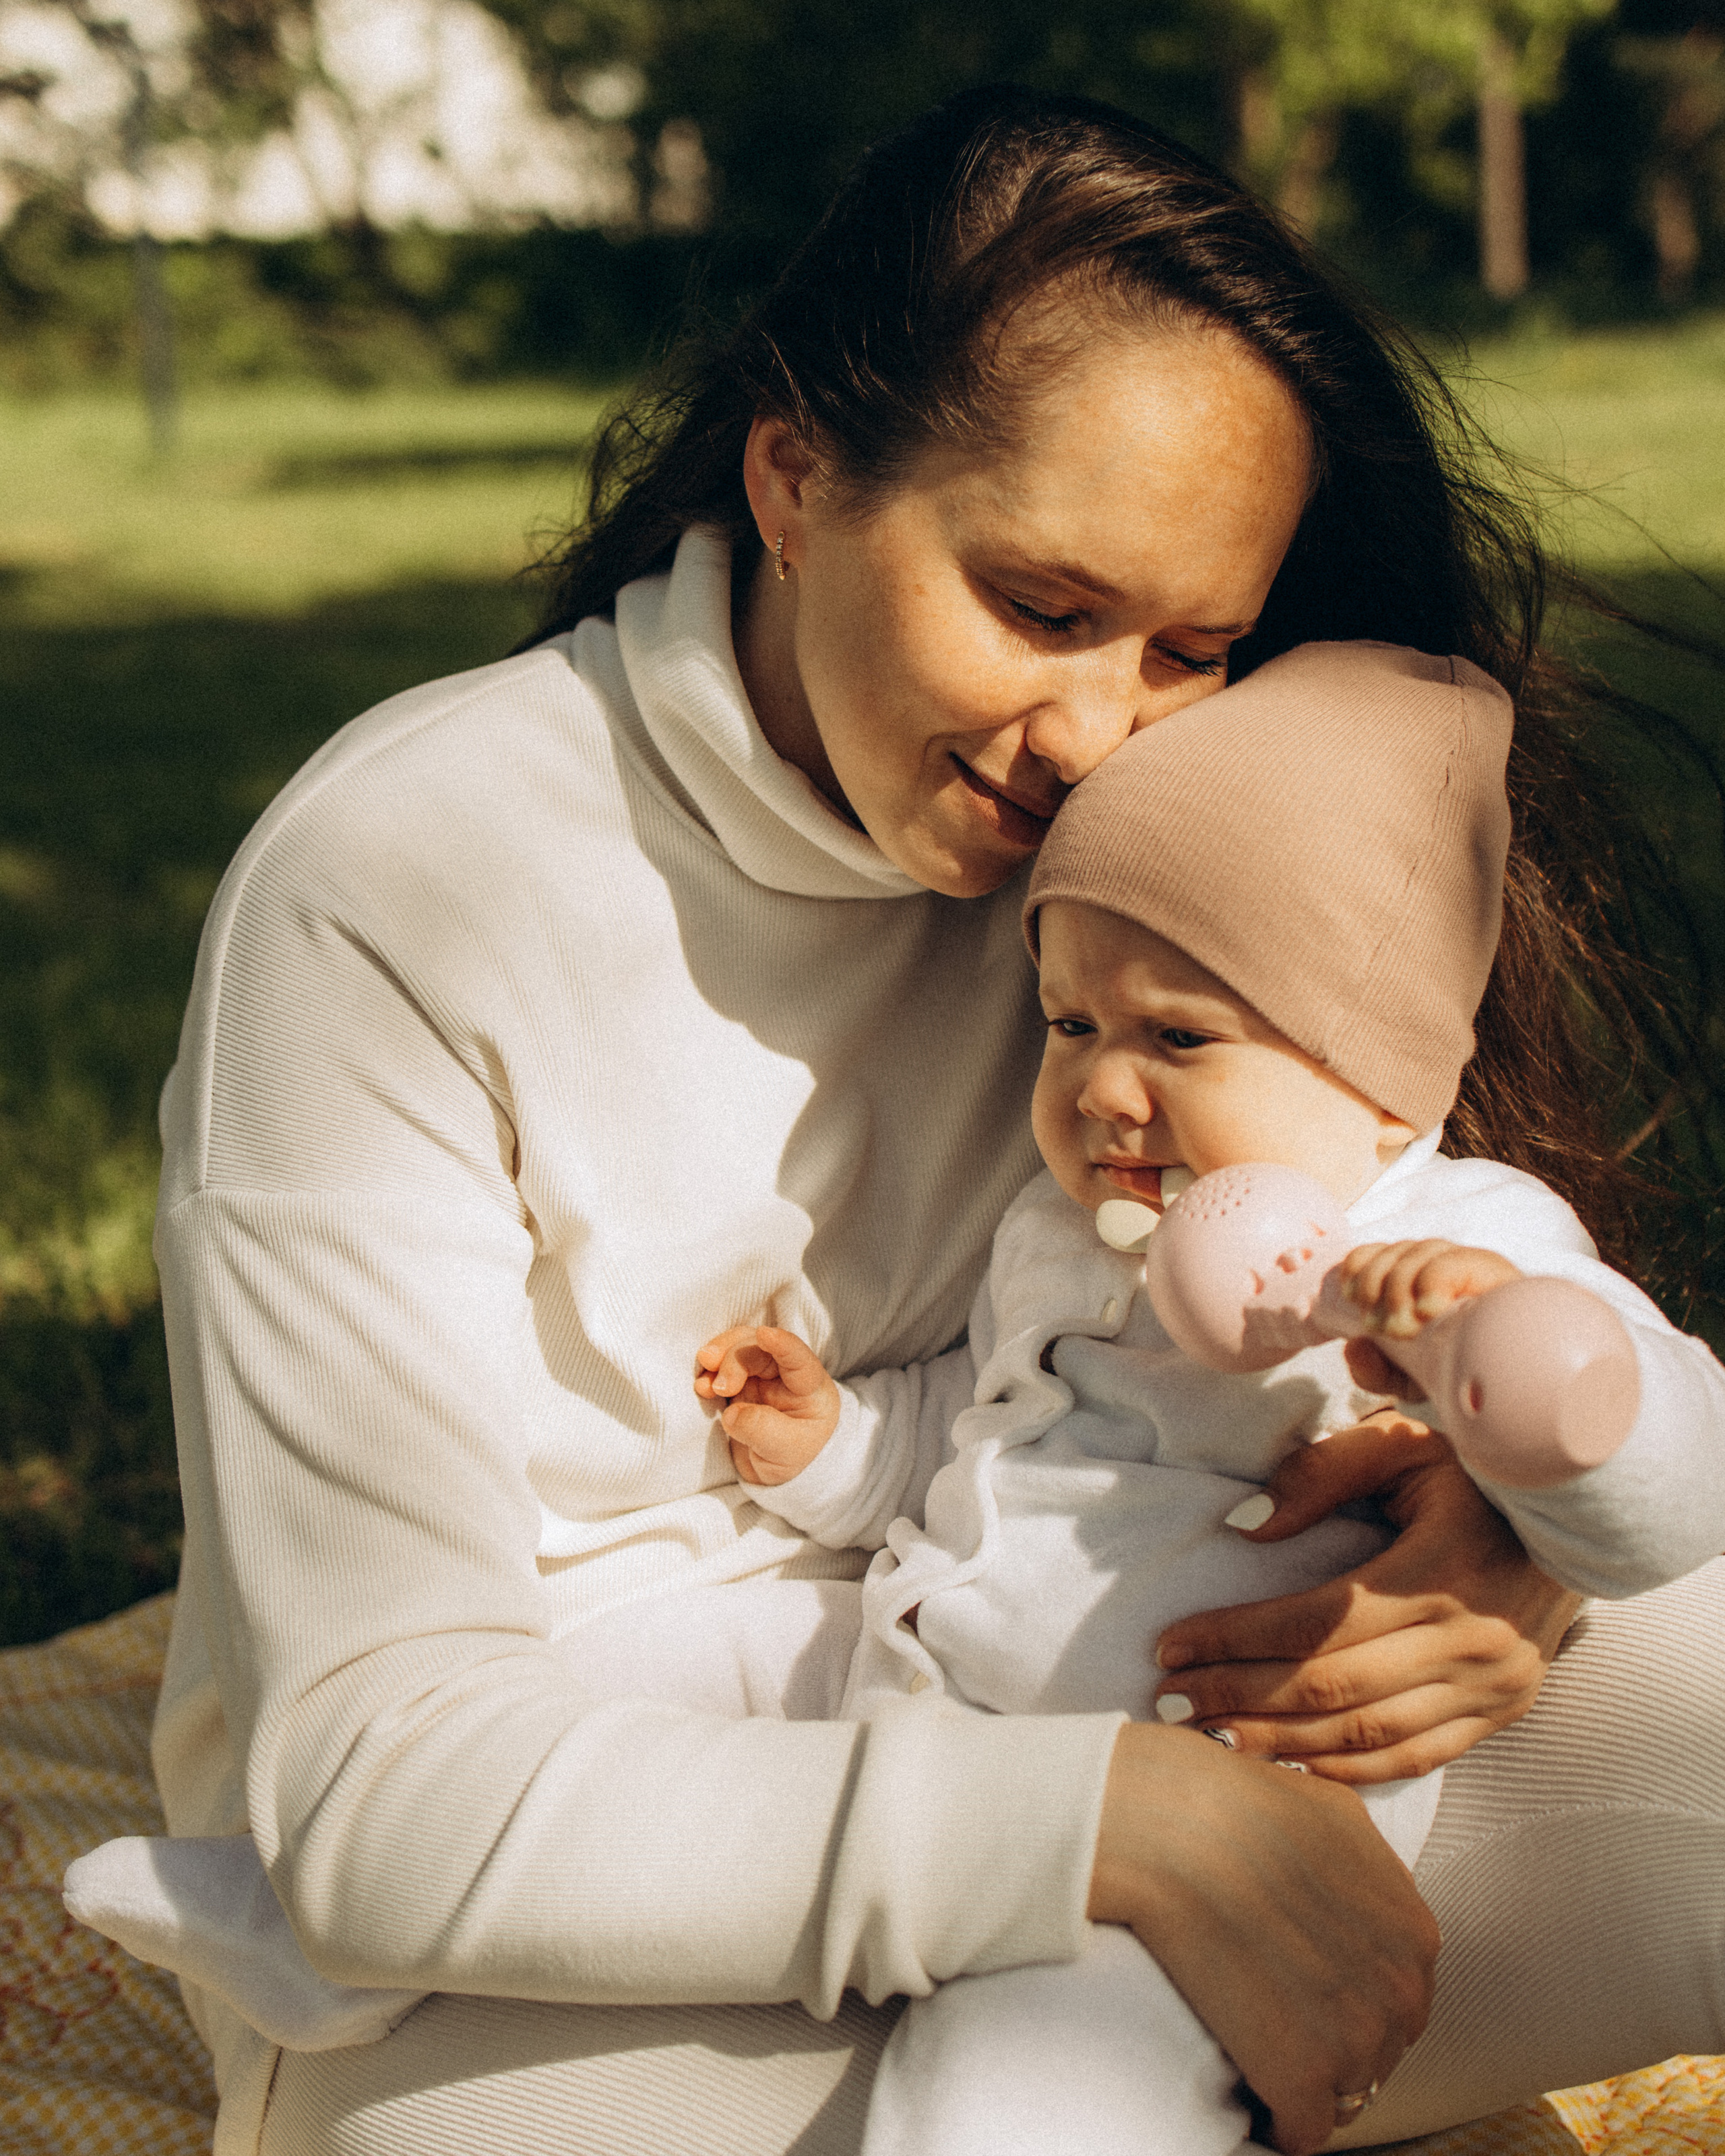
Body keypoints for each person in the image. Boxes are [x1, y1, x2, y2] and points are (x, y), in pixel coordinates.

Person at [129, 84, 1723, 2156]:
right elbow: (376, 1799)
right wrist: (1105, 1831)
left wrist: (1497, 1554)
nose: (1100, 738)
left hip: (1147, 1674)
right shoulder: (397, 879)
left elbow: (1450, 1294)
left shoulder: (1166, 848)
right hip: (586, 1873)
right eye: (1042, 609)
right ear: (795, 478)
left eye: (1192, 648)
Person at [691, 638, 1725, 2156]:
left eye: (1178, 1035)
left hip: (1202, 1864)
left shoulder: (1455, 1242)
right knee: (627, 1693)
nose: (1105, 1089)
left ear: (1380, 1086)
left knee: (1011, 2101)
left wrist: (1516, 1375)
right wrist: (836, 1447)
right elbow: (991, 1444)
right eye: (1070, 1025)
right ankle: (291, 1890)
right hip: (930, 1748)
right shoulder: (1062, 1227)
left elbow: (1673, 1478)